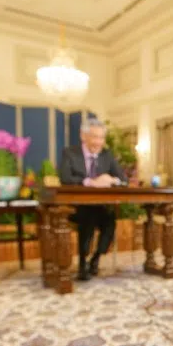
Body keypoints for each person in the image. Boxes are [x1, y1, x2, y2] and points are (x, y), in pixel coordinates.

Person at [59, 117, 127, 281]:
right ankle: (82, 263)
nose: (98, 142)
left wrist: (112, 180)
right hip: (76, 207)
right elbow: (65, 178)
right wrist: (90, 182)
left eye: (101, 138)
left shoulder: (107, 155)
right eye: (95, 137)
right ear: (84, 136)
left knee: (110, 222)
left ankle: (95, 259)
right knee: (87, 219)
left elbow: (123, 179)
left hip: (100, 207)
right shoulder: (70, 153)